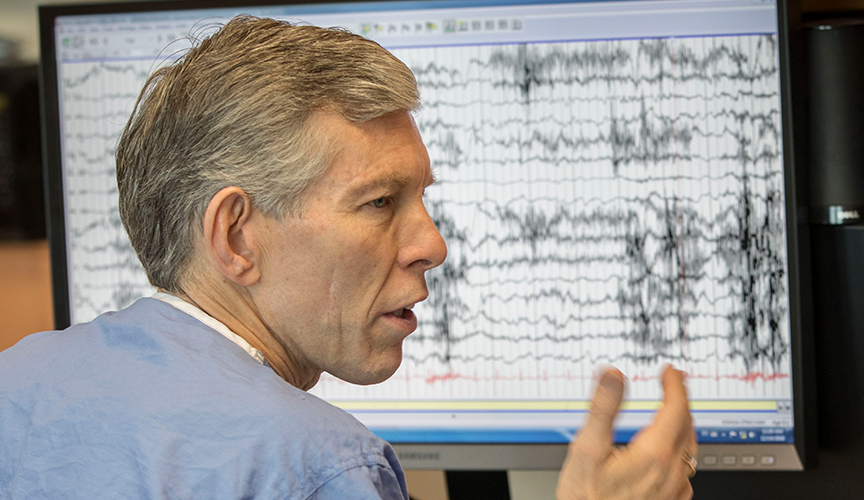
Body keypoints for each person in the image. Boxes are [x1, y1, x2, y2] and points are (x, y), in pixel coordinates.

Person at [0, 16, 696, 499]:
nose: (433, 246)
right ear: (237, 236)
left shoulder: (19, 381)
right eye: (379, 202)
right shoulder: (316, 465)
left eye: (420, 199)